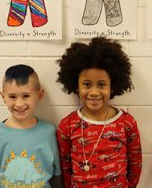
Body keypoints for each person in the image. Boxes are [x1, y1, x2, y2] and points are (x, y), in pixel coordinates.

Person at [56, 37, 142, 188]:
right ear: (76, 86)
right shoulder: (67, 125)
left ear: (113, 86)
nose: (94, 92)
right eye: (87, 84)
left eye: (101, 84)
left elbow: (135, 164)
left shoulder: (126, 122)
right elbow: (65, 167)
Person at [0, 64, 63, 188]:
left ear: (39, 95)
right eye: (12, 96)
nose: (19, 104)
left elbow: (57, 175)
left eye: (26, 96)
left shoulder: (49, 132)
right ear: (3, 97)